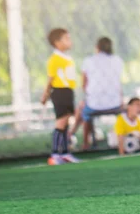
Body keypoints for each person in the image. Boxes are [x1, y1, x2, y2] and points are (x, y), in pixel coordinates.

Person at [69, 37, 123, 150]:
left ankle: (83, 142)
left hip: (95, 104)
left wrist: (90, 95)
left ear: (97, 48)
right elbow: (118, 82)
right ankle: (73, 135)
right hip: (115, 102)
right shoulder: (117, 60)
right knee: (84, 107)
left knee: (83, 109)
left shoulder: (88, 61)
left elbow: (84, 84)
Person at [41, 28, 80, 165]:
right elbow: (50, 79)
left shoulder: (67, 58)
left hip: (68, 91)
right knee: (61, 122)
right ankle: (55, 153)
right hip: (60, 92)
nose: (70, 42)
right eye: (66, 39)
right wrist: (45, 95)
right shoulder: (54, 59)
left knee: (66, 123)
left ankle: (65, 153)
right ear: (57, 43)